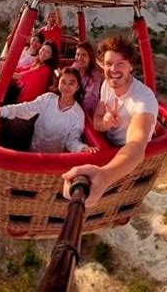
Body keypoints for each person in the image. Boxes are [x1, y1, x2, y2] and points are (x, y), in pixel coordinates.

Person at [62, 35, 158, 207]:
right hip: (107, 142)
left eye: (120, 63)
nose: (113, 69)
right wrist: (105, 123)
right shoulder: (108, 84)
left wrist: (105, 175)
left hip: (123, 156)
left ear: (130, 66)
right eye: (108, 64)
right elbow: (97, 120)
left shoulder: (142, 100)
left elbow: (136, 145)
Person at [0, 67, 96, 153]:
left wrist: (82, 148)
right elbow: (25, 108)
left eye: (71, 83)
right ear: (58, 83)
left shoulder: (78, 114)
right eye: (63, 82)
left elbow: (72, 141)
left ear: (78, 87)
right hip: (33, 150)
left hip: (52, 162)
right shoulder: (48, 99)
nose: (66, 87)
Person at [72, 40, 103, 118]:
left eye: (84, 55)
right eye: (77, 54)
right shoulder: (76, 67)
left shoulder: (94, 77)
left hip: (88, 113)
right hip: (74, 104)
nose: (79, 58)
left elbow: (89, 101)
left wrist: (73, 108)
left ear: (90, 58)